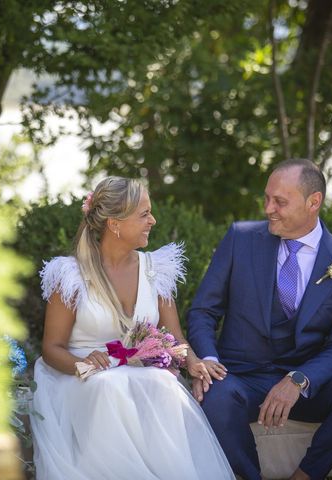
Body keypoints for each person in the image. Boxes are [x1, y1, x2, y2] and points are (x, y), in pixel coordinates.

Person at [187, 159, 332, 480]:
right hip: (241, 378)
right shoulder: (240, 238)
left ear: (313, 202)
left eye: (280, 201)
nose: (268, 209)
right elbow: (203, 311)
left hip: (305, 386)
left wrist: (299, 379)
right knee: (216, 397)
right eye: (266, 198)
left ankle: (304, 476)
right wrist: (208, 358)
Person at [30, 176, 235, 480]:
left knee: (165, 385)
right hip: (78, 377)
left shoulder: (156, 270)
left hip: (136, 370)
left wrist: (193, 362)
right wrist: (82, 364)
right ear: (115, 224)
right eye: (144, 214)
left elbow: (174, 338)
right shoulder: (70, 275)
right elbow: (51, 349)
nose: (152, 220)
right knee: (108, 387)